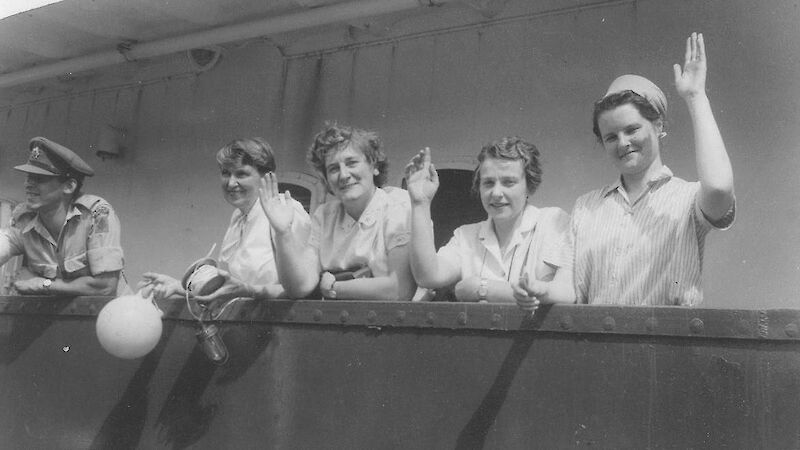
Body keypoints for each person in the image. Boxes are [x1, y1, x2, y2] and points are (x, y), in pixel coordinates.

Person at [570, 32, 735, 306]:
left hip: (667, 345)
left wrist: (695, 97)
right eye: (611, 137)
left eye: (632, 129)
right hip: (594, 345)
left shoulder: (688, 199)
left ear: (658, 126)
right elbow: (571, 295)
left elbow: (719, 187)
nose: (623, 142)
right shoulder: (585, 207)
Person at [405, 138, 574, 309]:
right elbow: (428, 276)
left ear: (529, 186)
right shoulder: (465, 236)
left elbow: (566, 293)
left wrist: (481, 287)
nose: (496, 193)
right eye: (488, 183)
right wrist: (420, 203)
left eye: (509, 182)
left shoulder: (553, 221)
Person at [142, 138, 310, 305]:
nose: (231, 183)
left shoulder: (286, 211)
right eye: (225, 173)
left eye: (241, 174)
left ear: (266, 177)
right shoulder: (238, 217)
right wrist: (178, 286)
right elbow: (232, 287)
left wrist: (248, 291)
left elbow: (302, 289)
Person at [259, 124, 416, 301]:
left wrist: (335, 287)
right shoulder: (325, 216)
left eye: (352, 163)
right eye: (333, 168)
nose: (343, 175)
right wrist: (283, 233)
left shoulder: (398, 204)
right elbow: (300, 287)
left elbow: (400, 290)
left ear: (374, 166)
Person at [0, 136, 129, 296]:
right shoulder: (25, 219)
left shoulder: (97, 214)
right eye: (28, 177)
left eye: (39, 179)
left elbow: (104, 286)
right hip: (67, 318)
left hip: (117, 316)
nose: (28, 184)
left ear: (69, 186)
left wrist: (42, 284)